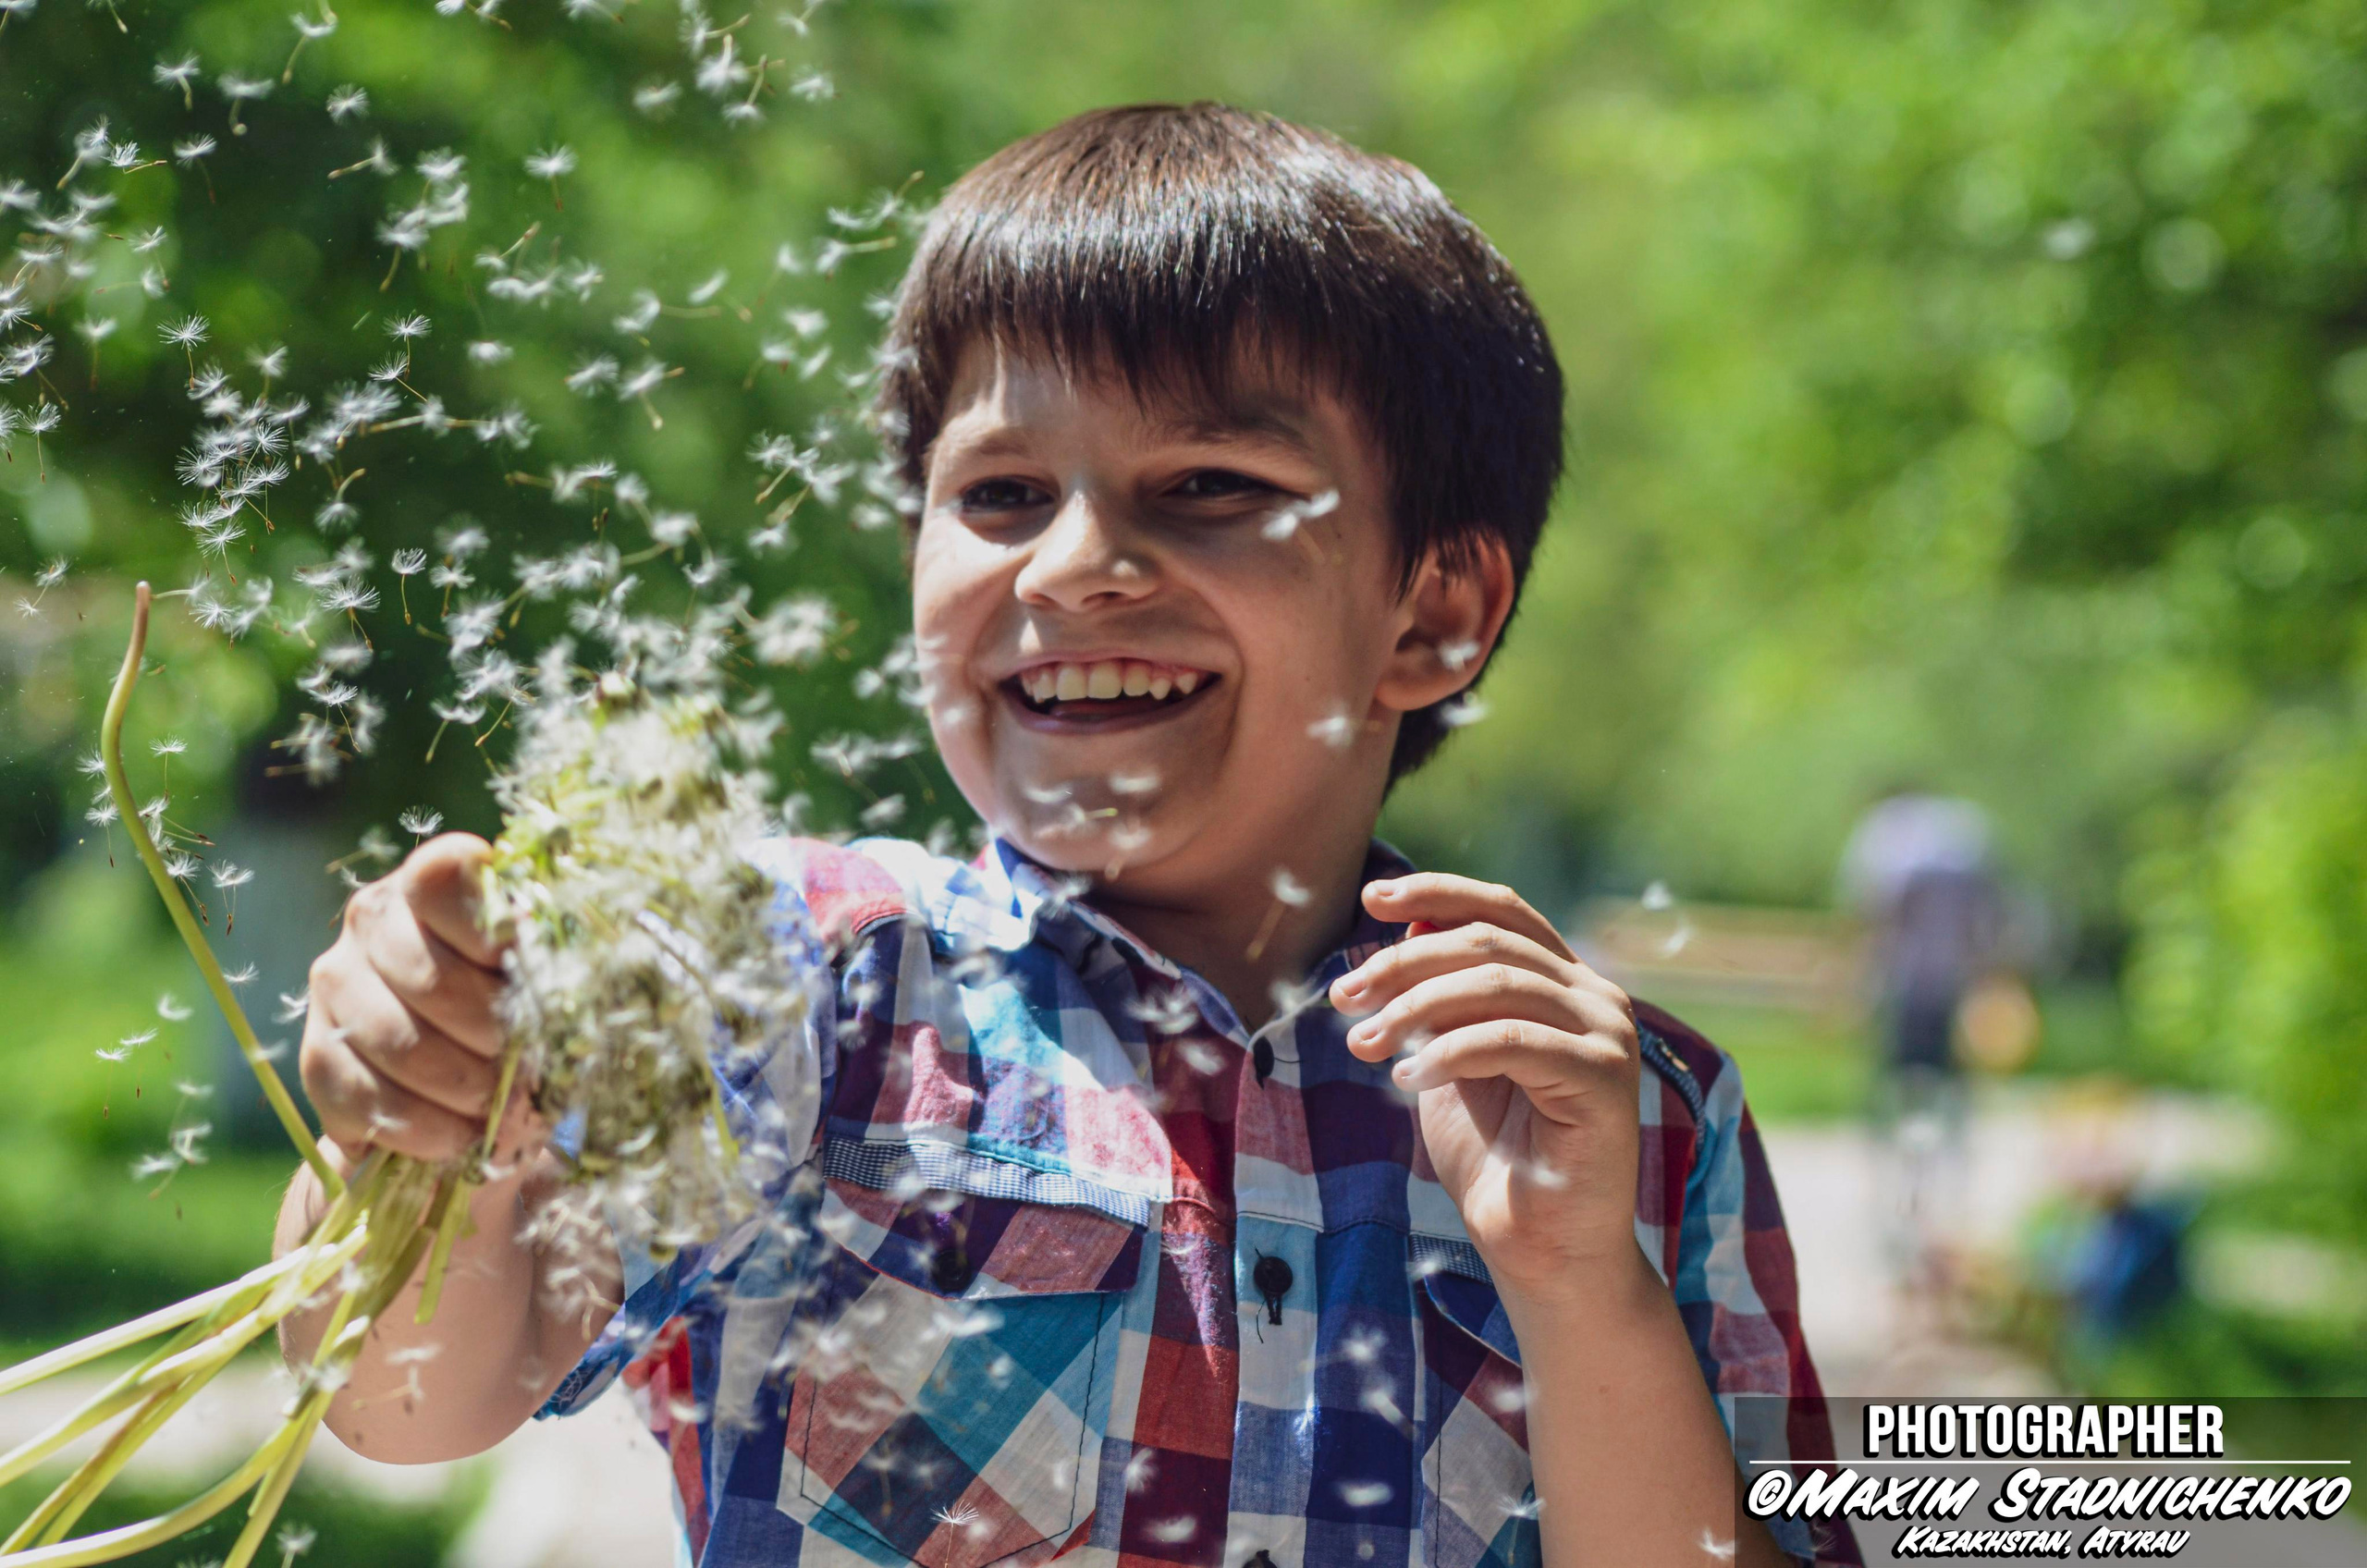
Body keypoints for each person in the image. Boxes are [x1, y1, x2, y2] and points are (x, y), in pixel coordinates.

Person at [276, 104, 1858, 1568]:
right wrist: (429, 1126)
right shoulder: (786, 976)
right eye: (1005, 492)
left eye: (1212, 485)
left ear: (1431, 612)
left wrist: (1587, 1292)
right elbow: (405, 1402)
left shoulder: (1628, 1112)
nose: (1079, 565)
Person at [1837, 790, 2008, 1293]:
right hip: (1957, 988)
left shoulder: (1885, 838)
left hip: (1904, 991)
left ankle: (1905, 1209)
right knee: (1950, 1102)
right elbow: (1991, 920)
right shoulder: (1964, 835)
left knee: (1898, 1102)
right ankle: (1943, 1209)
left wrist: (1854, 988)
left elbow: (1870, 918)